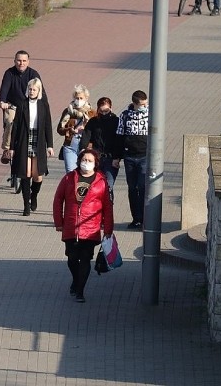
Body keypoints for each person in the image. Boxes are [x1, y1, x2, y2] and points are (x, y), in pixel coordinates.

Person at [53, 148, 114, 303]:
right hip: (71, 226)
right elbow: (58, 200)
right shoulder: (69, 178)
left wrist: (108, 229)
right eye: (84, 160)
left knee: (85, 259)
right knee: (72, 259)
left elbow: (107, 206)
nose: (86, 163)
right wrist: (59, 222)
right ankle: (76, 280)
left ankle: (80, 291)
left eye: (89, 161)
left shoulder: (101, 182)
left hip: (91, 228)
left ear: (95, 164)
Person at [10, 77, 54, 216]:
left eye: (34, 89)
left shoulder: (43, 105)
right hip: (24, 139)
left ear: (39, 91)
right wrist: (12, 147)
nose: (32, 91)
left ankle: (33, 196)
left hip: (39, 140)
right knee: (25, 173)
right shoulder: (22, 104)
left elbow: (48, 125)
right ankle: (26, 206)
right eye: (30, 89)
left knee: (37, 175)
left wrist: (50, 145)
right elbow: (15, 126)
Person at [0, 50, 47, 163]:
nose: (21, 63)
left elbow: (41, 92)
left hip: (28, 105)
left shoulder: (33, 74)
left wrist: (45, 106)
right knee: (10, 121)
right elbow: (4, 89)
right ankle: (6, 149)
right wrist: (2, 101)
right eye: (19, 60)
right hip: (13, 106)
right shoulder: (9, 73)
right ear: (15, 61)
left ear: (28, 62)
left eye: (24, 61)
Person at [114, 91, 148, 230]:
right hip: (129, 157)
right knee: (132, 188)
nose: (144, 107)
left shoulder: (150, 115)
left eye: (146, 104)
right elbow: (119, 137)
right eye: (141, 105)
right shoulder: (125, 115)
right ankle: (136, 219)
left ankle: (145, 217)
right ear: (134, 104)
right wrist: (117, 157)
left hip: (144, 156)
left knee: (143, 186)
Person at [85, 96, 121, 192]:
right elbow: (86, 137)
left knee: (108, 186)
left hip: (111, 159)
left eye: (106, 110)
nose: (104, 113)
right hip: (96, 158)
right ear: (98, 110)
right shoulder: (93, 122)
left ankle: (108, 205)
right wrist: (83, 151)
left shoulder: (116, 121)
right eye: (102, 111)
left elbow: (119, 141)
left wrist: (117, 158)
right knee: (94, 186)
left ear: (111, 108)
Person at [56, 85, 93, 174]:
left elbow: (95, 131)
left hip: (85, 148)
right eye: (77, 98)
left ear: (86, 98)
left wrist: (85, 125)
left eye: (81, 98)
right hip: (70, 147)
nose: (79, 100)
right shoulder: (68, 111)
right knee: (71, 173)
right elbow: (60, 129)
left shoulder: (92, 113)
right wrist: (69, 129)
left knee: (84, 173)